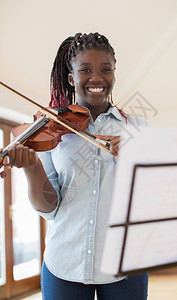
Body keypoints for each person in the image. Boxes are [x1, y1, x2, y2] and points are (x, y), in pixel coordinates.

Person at [5, 32, 148, 299]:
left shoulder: (138, 129)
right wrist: (31, 166)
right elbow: (49, 206)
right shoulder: (49, 130)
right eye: (85, 70)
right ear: (72, 78)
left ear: (114, 74)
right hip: (65, 263)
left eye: (106, 69)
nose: (97, 78)